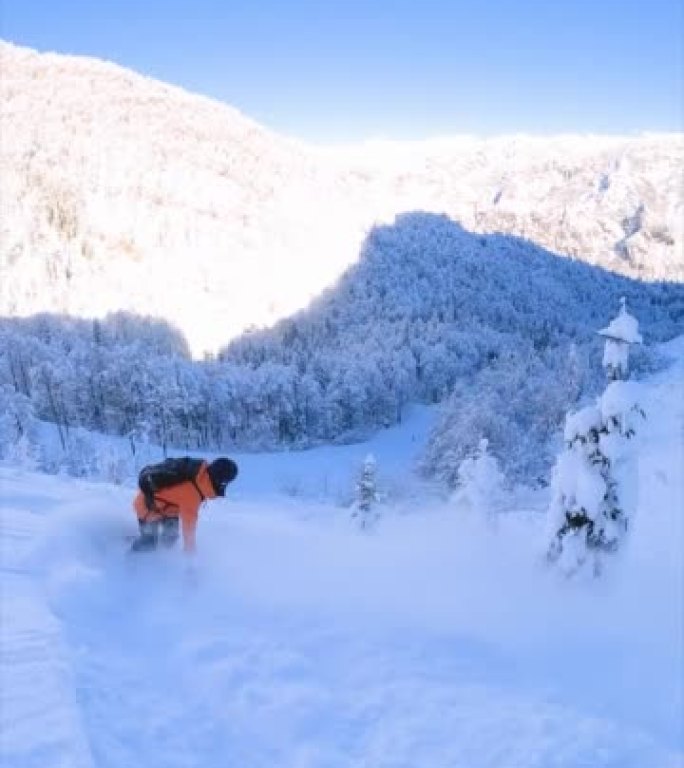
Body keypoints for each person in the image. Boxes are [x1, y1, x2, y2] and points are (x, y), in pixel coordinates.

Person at [130, 457, 238, 553]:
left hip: (167, 509)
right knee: (149, 545)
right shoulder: (192, 493)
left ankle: (160, 560)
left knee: (170, 539)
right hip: (148, 508)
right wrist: (190, 553)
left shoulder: (200, 476)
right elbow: (189, 525)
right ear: (221, 481)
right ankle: (131, 562)